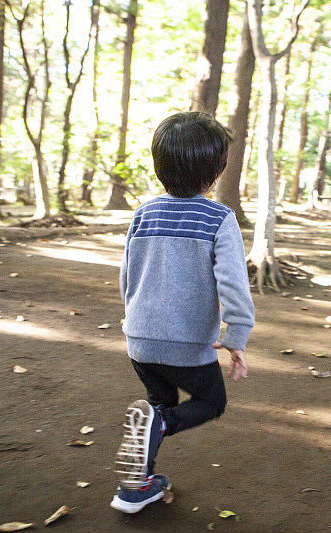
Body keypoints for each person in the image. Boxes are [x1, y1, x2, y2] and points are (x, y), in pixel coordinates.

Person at [110, 112, 255, 513]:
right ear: (215, 172)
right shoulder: (218, 219)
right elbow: (234, 287)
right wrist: (235, 338)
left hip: (139, 340)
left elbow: (127, 276)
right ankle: (159, 426)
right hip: (186, 346)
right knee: (210, 402)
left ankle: (136, 487)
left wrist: (134, 323)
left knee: (158, 400)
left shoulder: (142, 213)